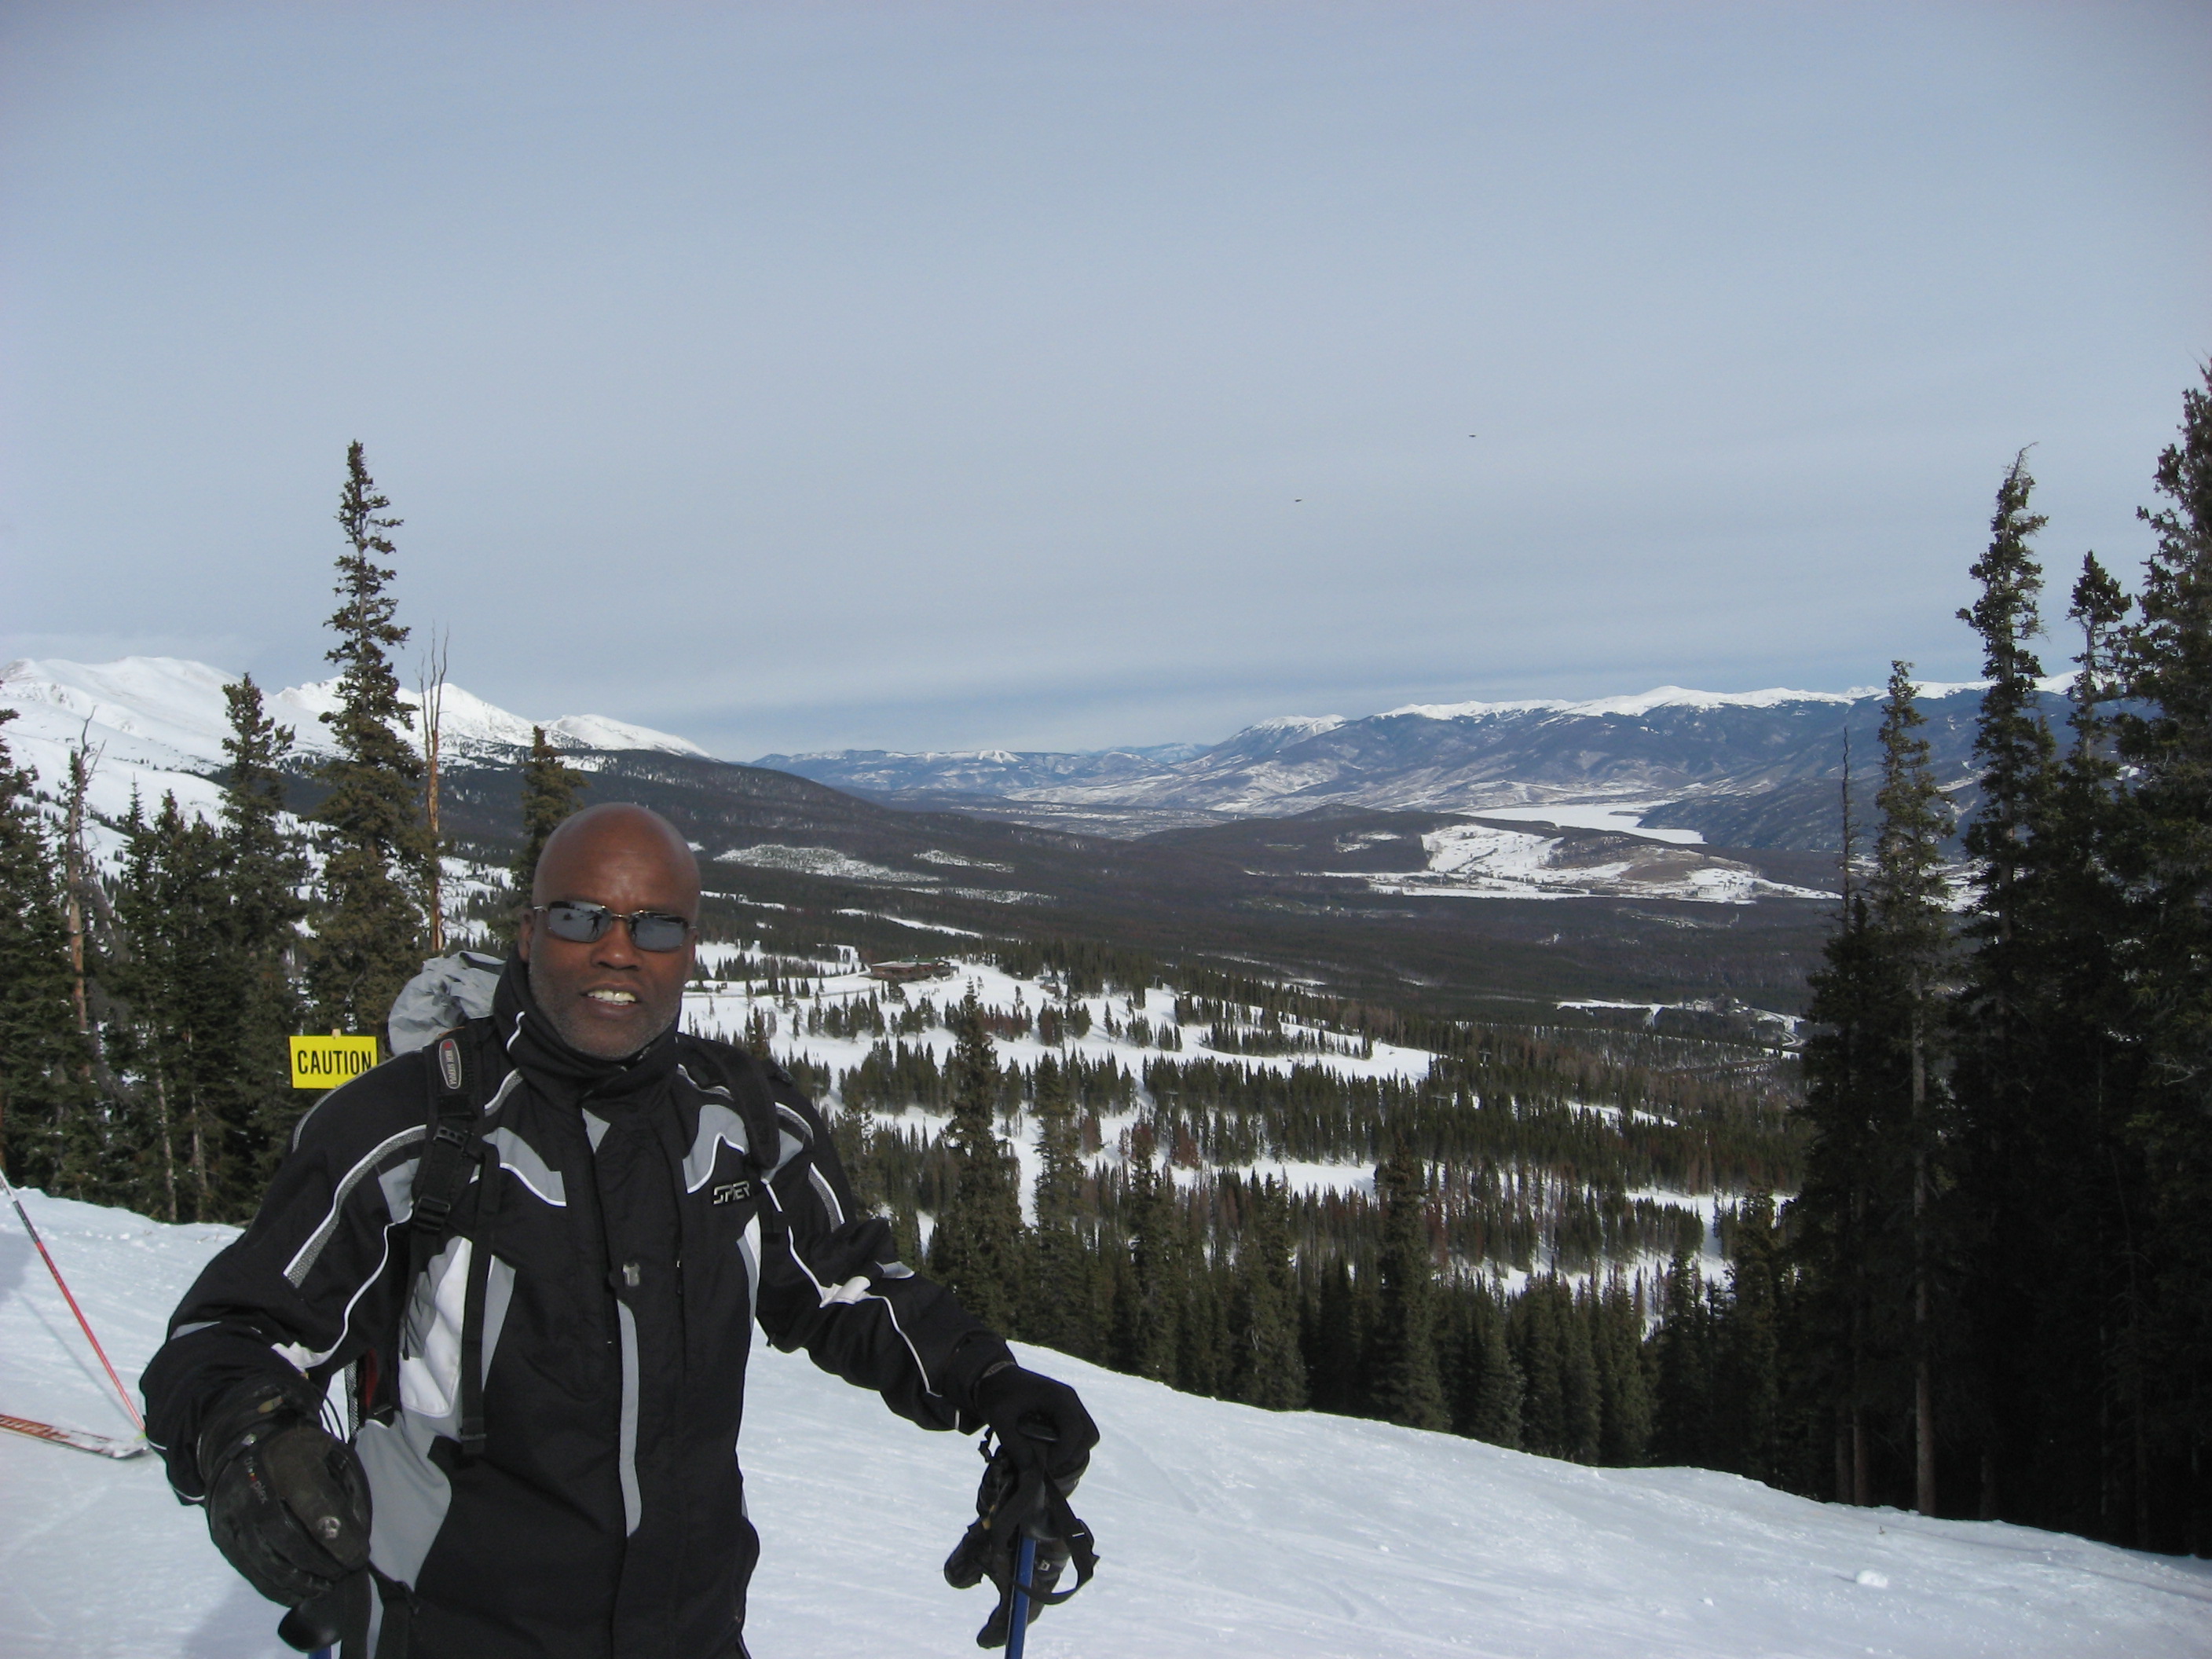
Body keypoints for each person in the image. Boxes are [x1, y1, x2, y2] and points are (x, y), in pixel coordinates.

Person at [141, 803, 1097, 1658]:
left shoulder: (741, 1121)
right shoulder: (410, 1129)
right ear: (528, 933)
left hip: (692, 1630)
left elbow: (846, 1284)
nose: (616, 949)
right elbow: (233, 1330)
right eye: (579, 917)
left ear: (690, 949)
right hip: (449, 1627)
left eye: (655, 926)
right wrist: (246, 1438)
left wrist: (990, 1382)